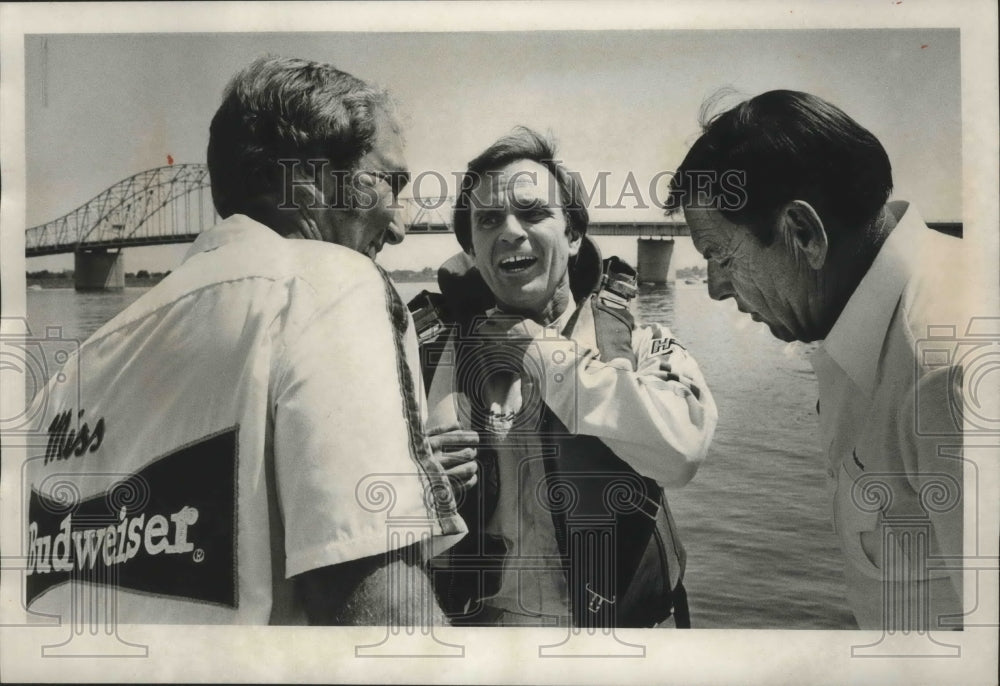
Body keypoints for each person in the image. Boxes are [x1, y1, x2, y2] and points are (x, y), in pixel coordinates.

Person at [22, 56, 465, 625]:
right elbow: (379, 620)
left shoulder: (67, 378)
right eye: (391, 182)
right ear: (304, 180)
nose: (402, 226)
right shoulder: (332, 284)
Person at [665, 89, 967, 630]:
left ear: (803, 235)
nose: (713, 288)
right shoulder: (866, 329)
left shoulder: (947, 370)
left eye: (720, 255)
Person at [409, 128, 717, 628]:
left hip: (615, 647)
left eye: (533, 213)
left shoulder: (641, 344)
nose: (510, 231)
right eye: (487, 221)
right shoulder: (425, 361)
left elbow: (683, 453)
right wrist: (415, 483)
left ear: (574, 236)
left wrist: (543, 354)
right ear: (471, 247)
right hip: (483, 644)